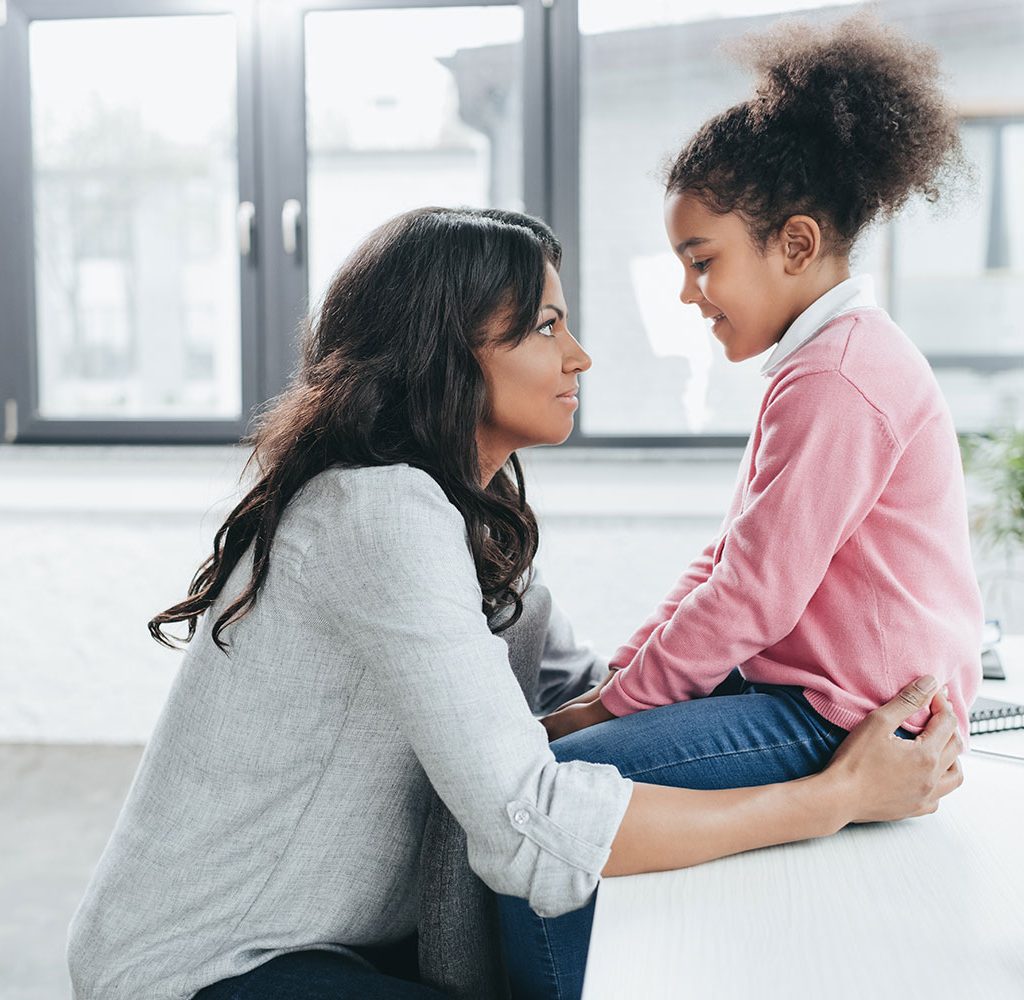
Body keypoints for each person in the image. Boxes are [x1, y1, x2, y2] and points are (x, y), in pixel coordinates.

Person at [66, 206, 961, 1000]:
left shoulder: (461, 521)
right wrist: (836, 794)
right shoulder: (376, 515)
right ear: (444, 354)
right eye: (543, 327)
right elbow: (528, 823)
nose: (580, 355)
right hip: (213, 967)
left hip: (349, 942)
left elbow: (583, 696)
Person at [501, 13, 983, 998]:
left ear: (795, 244)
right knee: (569, 742)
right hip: (804, 693)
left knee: (544, 808)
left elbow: (750, 597)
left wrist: (606, 705)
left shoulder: (838, 377)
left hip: (840, 718)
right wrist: (627, 675)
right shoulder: (823, 362)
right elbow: (729, 562)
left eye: (702, 258)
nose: (688, 292)